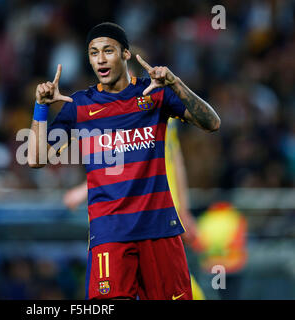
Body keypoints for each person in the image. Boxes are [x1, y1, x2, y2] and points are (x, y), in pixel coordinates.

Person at [27, 22, 221, 300]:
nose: (100, 59)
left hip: (160, 229)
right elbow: (35, 159)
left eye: (108, 50)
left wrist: (176, 84)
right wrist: (41, 107)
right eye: (94, 53)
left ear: (126, 54)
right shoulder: (79, 105)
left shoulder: (155, 94)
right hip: (110, 233)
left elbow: (212, 123)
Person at [63, 118, 206, 300]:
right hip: (144, 206)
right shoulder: (141, 105)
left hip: (157, 207)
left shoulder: (161, 101)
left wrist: (183, 210)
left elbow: (172, 155)